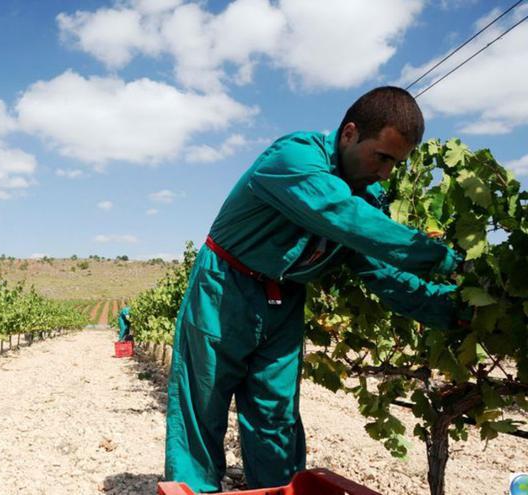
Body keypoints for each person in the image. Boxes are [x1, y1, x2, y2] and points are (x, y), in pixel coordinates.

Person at [164, 87, 466, 491]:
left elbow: (384, 274)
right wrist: (438, 257)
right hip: (224, 289)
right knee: (202, 407)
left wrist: (458, 310)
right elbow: (339, 215)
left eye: (396, 164)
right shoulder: (294, 157)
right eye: (382, 156)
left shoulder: (365, 200)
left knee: (277, 420)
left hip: (285, 301)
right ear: (349, 134)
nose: (385, 173)